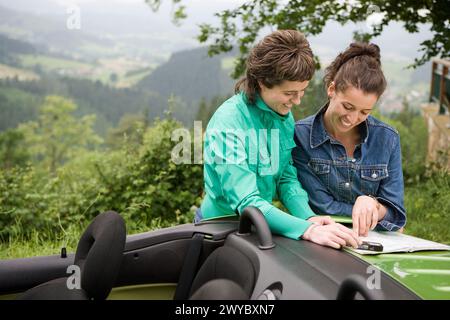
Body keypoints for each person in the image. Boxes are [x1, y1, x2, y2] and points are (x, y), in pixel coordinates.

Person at [196, 30, 361, 250]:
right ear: (263, 82)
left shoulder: (282, 115)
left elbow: (285, 177)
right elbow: (247, 202)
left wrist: (308, 217)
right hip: (219, 228)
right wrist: (308, 231)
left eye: (302, 91)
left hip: (259, 224)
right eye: (290, 93)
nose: (298, 101)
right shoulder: (229, 123)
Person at [292, 42, 407, 237]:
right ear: (331, 89)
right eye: (347, 106)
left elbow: (397, 216)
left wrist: (372, 203)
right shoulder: (301, 136)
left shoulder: (387, 138)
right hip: (323, 239)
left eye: (364, 112)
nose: (352, 119)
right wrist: (378, 214)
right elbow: (322, 207)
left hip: (377, 246)